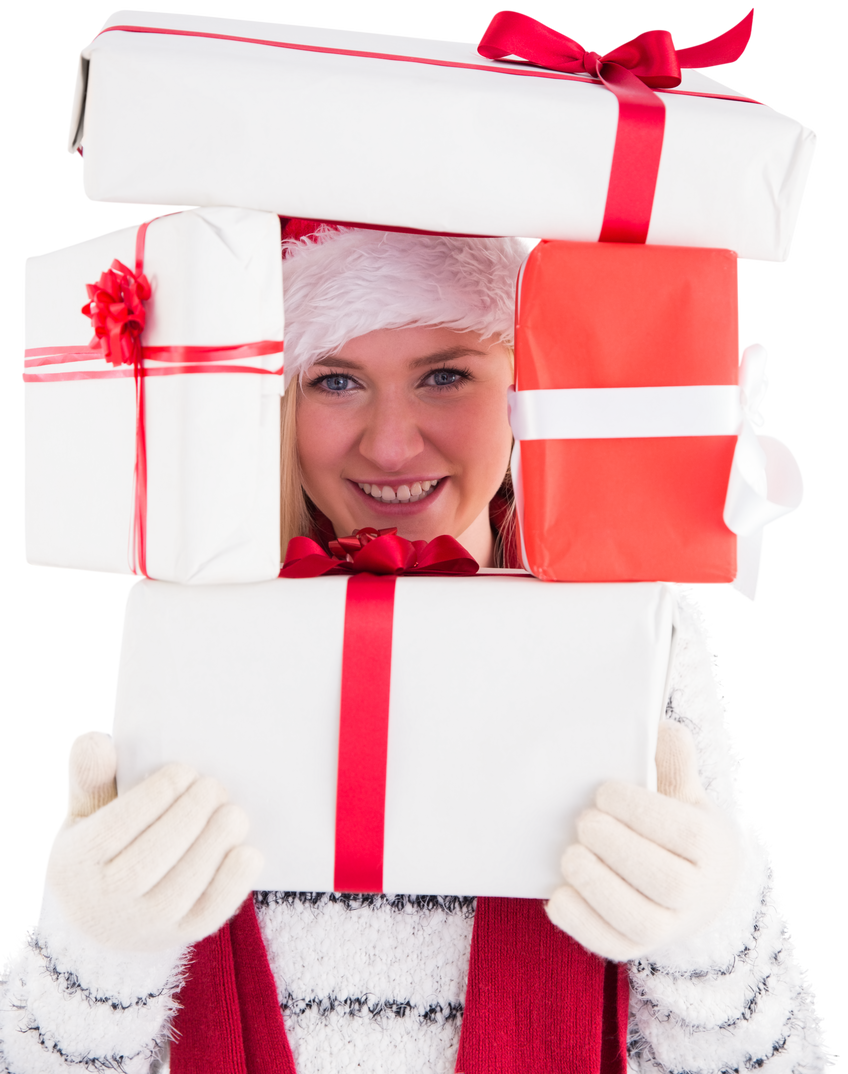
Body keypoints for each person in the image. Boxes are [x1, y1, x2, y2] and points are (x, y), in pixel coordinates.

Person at [1, 227, 836, 1073]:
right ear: (279, 406)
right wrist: (93, 946)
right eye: (335, 380)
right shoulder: (184, 624)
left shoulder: (640, 630)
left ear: (522, 389)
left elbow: (781, 1060)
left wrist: (709, 929)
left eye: (445, 376)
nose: (391, 445)